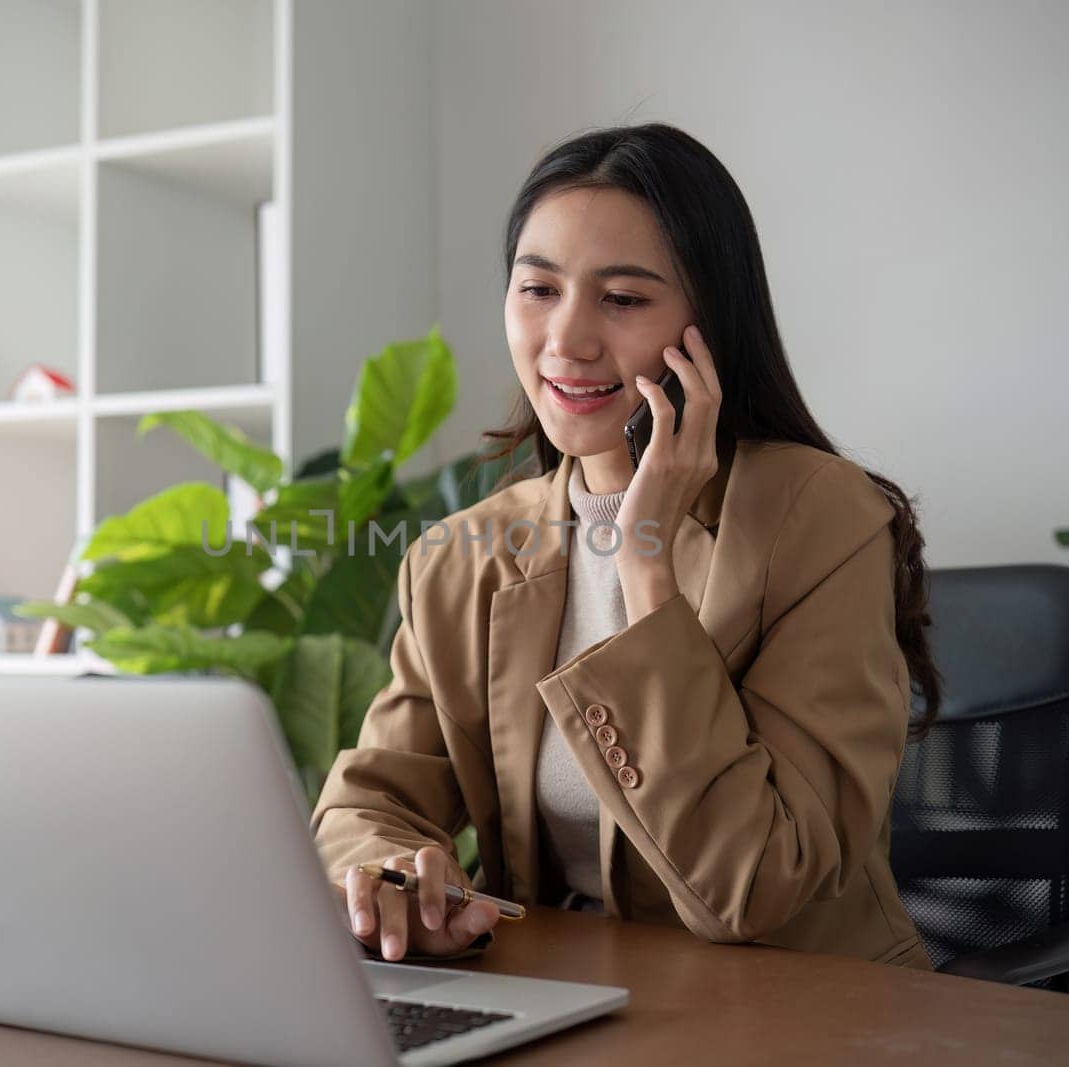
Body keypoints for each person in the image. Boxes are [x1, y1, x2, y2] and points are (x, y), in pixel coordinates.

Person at [311, 122, 939, 971]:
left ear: (709, 323)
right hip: (565, 998)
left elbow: (755, 883)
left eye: (624, 299)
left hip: (795, 1010)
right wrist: (384, 877)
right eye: (538, 289)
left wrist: (645, 571)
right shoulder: (463, 557)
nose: (566, 340)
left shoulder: (820, 518)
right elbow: (368, 799)